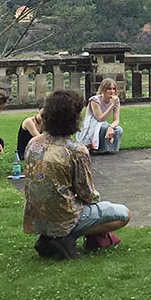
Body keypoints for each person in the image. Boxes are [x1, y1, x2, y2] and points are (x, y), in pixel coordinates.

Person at [23, 90, 130, 260]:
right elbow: (86, 193)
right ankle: (66, 238)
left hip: (35, 214)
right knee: (123, 214)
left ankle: (48, 237)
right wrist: (96, 200)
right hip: (63, 214)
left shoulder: (33, 143)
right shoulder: (76, 150)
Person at [77, 78, 123, 154]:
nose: (112, 91)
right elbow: (100, 118)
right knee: (103, 127)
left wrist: (111, 127)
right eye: (109, 89)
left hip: (103, 122)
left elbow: (116, 120)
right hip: (92, 122)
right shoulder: (95, 100)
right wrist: (112, 105)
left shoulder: (116, 101)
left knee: (118, 129)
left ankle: (111, 149)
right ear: (103, 89)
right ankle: (99, 149)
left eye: (113, 89)